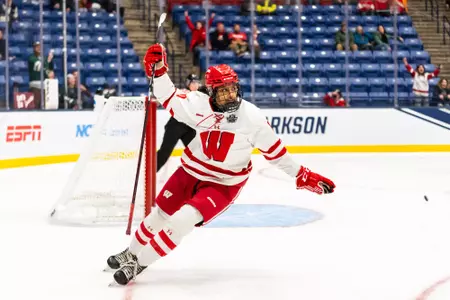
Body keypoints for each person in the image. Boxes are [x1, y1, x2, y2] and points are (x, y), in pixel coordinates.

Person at [106, 44, 336, 286]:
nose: (229, 95)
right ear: (211, 92)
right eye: (223, 91)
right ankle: (130, 253)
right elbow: (169, 98)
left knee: (182, 220)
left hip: (224, 184)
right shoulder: (197, 104)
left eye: (232, 89)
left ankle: (138, 264)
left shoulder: (253, 117)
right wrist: (160, 71)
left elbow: (276, 153)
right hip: (190, 171)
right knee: (159, 215)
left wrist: (302, 175)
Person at [156, 74, 199, 172]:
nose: (196, 85)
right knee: (165, 152)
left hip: (188, 127)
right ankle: (150, 172)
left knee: (196, 153)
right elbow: (170, 97)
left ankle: (197, 175)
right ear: (188, 83)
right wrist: (158, 101)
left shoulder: (200, 96)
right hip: (175, 126)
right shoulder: (183, 92)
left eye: (197, 82)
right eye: (193, 82)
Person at [28, 41, 55, 109]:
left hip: (45, 84)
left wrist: (50, 71)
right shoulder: (31, 57)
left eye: (40, 46)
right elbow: (39, 66)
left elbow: (50, 69)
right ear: (34, 48)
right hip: (35, 84)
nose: (39, 48)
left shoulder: (45, 58)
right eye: (37, 47)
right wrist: (48, 61)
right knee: (36, 104)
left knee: (46, 104)